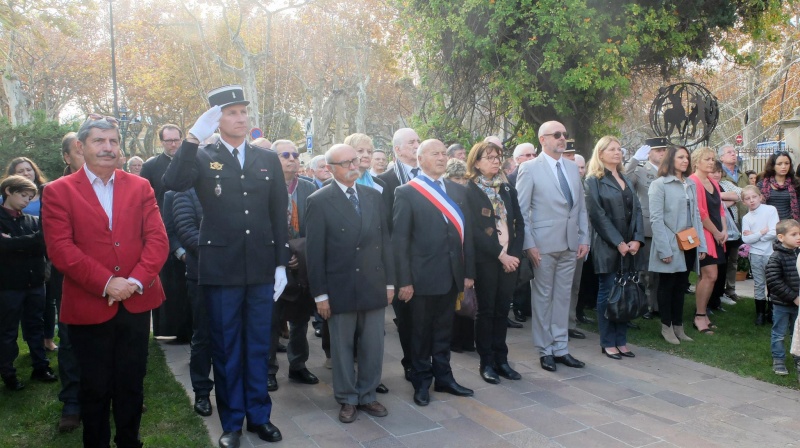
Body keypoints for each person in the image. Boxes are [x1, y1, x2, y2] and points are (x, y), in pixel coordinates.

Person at [163, 85, 288, 447]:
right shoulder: (202, 156)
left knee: (258, 345)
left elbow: (277, 213)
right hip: (220, 268)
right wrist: (190, 139)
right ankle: (232, 422)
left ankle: (259, 417)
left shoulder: (266, 159)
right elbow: (172, 183)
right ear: (216, 119)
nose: (240, 118)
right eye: (231, 112)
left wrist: (280, 264)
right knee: (227, 347)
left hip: (261, 267)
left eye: (243, 112)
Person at [42, 114, 168, 448]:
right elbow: (61, 250)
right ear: (81, 147)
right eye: (99, 141)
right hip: (88, 305)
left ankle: (130, 441)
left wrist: (135, 281)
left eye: (113, 141)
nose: (108, 148)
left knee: (131, 383)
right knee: (94, 388)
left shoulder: (140, 186)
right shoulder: (57, 191)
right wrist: (108, 283)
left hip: (136, 301)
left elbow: (157, 239)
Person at [306, 143, 394, 423]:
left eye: (354, 161)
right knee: (342, 347)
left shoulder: (372, 195)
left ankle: (368, 395)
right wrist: (320, 295)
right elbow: (314, 253)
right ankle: (347, 398)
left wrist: (390, 282)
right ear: (330, 169)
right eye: (346, 163)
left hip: (372, 282)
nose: (353, 166)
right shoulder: (319, 200)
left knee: (373, 345)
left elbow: (385, 242)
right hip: (339, 285)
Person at [392, 139, 476, 406]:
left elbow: (468, 236)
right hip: (420, 278)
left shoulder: (457, 190)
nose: (441, 158)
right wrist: (404, 280)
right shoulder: (407, 192)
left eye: (443, 153)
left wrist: (468, 271)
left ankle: (444, 377)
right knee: (419, 333)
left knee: (443, 331)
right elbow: (400, 241)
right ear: (420, 159)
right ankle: (421, 381)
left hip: (451, 275)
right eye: (434, 153)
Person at [516, 121, 589, 372]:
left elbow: (580, 207)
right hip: (543, 245)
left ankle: (561, 347)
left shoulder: (571, 167)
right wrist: (529, 244)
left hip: (570, 243)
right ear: (542, 139)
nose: (562, 139)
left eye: (564, 135)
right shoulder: (529, 168)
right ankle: (544, 350)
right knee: (543, 297)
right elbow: (522, 211)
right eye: (557, 135)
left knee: (562, 297)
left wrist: (584, 238)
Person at [464, 141, 524, 383]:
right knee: (486, 311)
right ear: (476, 162)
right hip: (488, 260)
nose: (496, 161)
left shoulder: (508, 190)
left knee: (502, 310)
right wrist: (501, 255)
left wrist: (515, 256)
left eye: (498, 156)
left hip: (510, 261)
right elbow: (475, 231)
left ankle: (502, 360)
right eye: (489, 157)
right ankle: (486, 362)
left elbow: (518, 224)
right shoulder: (470, 190)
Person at [267, 139, 319, 392]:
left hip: (303, 266)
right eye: (284, 155)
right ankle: (268, 370)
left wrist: (301, 252)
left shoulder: (309, 188)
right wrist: (282, 253)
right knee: (270, 320)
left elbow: (318, 228)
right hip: (272, 264)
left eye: (295, 155)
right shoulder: (263, 187)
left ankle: (298, 365)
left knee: (300, 319)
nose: (292, 159)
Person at [584, 136, 644, 358]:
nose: (617, 153)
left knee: (626, 290)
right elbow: (598, 215)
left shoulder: (626, 178)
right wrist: (618, 242)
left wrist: (637, 239)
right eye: (612, 149)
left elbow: (637, 210)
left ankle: (621, 340)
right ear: (600, 154)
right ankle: (608, 341)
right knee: (609, 292)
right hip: (608, 245)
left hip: (630, 245)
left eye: (619, 149)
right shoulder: (593, 180)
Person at [0, 175, 57, 391]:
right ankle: (8, 372)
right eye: (23, 195)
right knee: (7, 331)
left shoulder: (31, 220)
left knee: (36, 326)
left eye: (30, 197)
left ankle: (40, 367)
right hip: (8, 286)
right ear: (8, 191)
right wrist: (30, 242)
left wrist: (13, 243)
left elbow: (44, 242)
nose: (27, 201)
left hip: (35, 283)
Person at [648, 146, 706, 344]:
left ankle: (679, 326)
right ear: (670, 159)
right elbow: (656, 219)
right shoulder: (659, 184)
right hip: (670, 242)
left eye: (687, 157)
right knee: (668, 285)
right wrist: (664, 248)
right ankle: (667, 327)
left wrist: (702, 245)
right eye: (681, 157)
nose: (685, 161)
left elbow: (696, 215)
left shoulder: (690, 183)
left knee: (681, 285)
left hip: (689, 242)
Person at [378, 127, 421, 381]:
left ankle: (427, 362)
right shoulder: (385, 181)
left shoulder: (429, 177)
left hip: (427, 260)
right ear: (398, 149)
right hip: (399, 261)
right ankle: (411, 363)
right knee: (406, 317)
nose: (417, 145)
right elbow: (386, 227)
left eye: (418, 141)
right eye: (411, 142)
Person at [141, 123, 189, 341]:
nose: (173, 144)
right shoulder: (151, 166)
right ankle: (166, 330)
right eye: (168, 140)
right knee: (167, 281)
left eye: (176, 139)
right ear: (161, 142)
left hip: (189, 226)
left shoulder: (192, 162)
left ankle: (189, 329)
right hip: (160, 230)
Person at [172, 186, 214, 416]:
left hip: (235, 275)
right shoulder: (185, 191)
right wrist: (222, 252)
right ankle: (202, 392)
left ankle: (234, 391)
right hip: (202, 275)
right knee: (203, 336)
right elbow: (186, 231)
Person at [626, 138, 668, 319]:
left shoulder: (669, 172)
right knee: (645, 270)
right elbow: (625, 180)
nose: (662, 153)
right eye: (658, 150)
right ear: (649, 153)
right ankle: (645, 305)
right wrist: (634, 160)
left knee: (662, 270)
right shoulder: (641, 171)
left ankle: (657, 304)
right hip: (648, 225)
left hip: (667, 227)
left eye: (664, 150)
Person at [690, 147, 727, 335]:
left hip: (716, 234)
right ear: (696, 162)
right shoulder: (693, 181)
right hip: (703, 235)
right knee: (710, 275)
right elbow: (700, 213)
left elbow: (720, 210)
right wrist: (716, 233)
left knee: (708, 276)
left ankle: (703, 314)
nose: (712, 162)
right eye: (707, 159)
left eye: (713, 159)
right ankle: (699, 316)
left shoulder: (712, 180)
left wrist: (724, 230)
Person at [443, 159, 475, 353]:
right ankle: (454, 340)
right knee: (454, 300)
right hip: (450, 255)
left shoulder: (468, 194)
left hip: (467, 252)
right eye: (456, 178)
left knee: (469, 299)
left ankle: (467, 339)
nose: (461, 182)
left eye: (464, 178)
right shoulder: (444, 196)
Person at [765, 219, 800, 377]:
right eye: (794, 234)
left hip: (797, 304)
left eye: (799, 233)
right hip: (782, 304)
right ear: (781, 237)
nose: (798, 237)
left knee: (796, 332)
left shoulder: (798, 254)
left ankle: (797, 357)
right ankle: (778, 359)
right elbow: (774, 281)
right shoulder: (776, 257)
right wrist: (793, 297)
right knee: (779, 332)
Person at [741, 185, 779, 325]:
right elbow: (746, 239)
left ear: (760, 197)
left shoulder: (770, 210)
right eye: (747, 198)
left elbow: (774, 232)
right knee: (759, 283)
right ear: (743, 202)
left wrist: (756, 237)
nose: (751, 200)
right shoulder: (746, 218)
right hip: (755, 254)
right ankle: (760, 314)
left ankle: (773, 311)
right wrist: (761, 232)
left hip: (770, 253)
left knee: (773, 283)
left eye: (754, 197)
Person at [718, 145, 748, 304]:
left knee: (734, 258)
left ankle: (730, 289)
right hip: (722, 222)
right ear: (721, 157)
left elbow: (742, 193)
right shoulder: (719, 174)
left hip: (739, 219)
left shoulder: (741, 173)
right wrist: (729, 199)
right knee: (723, 258)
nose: (733, 154)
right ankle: (719, 290)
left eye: (734, 152)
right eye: (729, 152)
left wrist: (729, 200)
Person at [757, 151, 800, 221]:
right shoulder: (762, 184)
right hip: (768, 224)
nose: (784, 166)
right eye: (779, 164)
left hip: (790, 225)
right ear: (773, 166)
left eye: (786, 163)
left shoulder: (796, 184)